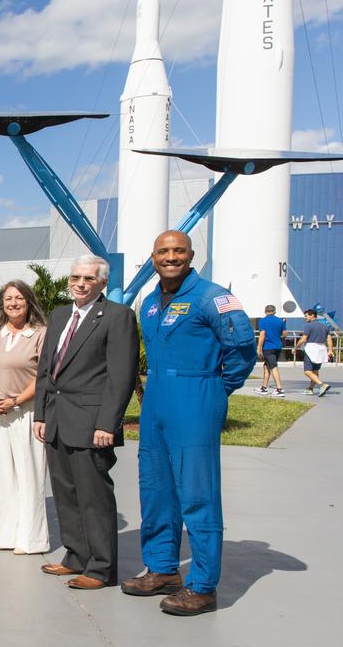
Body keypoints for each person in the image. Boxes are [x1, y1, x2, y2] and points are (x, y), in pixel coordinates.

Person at [122, 230, 256, 616]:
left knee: (197, 494)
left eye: (178, 250)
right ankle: (163, 568)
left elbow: (242, 349)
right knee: (156, 488)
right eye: (163, 251)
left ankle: (202, 585)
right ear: (153, 257)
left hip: (195, 396)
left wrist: (216, 388)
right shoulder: (149, 302)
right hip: (157, 400)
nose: (171, 256)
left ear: (191, 254)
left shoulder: (212, 297)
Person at [33, 257, 138, 590]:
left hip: (92, 423)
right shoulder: (61, 315)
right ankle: (76, 556)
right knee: (65, 492)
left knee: (94, 497)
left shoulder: (118, 317)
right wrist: (40, 413)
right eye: (75, 277)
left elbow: (121, 376)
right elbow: (47, 369)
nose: (80, 283)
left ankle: (101, 568)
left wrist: (108, 423)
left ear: (102, 283)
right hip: (57, 419)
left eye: (88, 279)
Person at [0, 280, 50, 556]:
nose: (13, 303)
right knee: (4, 475)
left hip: (25, 413)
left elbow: (43, 375)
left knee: (29, 475)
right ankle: (5, 534)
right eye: (8, 299)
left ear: (28, 301)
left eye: (19, 298)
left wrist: (16, 400)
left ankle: (31, 539)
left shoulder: (40, 334)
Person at [295, 309, 331, 396]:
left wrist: (296, 347)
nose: (305, 318)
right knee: (315, 371)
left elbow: (303, 339)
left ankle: (322, 385)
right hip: (321, 349)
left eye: (306, 315)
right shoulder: (325, 326)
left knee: (307, 371)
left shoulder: (309, 326)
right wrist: (330, 350)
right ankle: (310, 389)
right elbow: (329, 338)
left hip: (311, 349)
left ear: (312, 315)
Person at [255, 305, 286, 397]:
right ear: (274, 311)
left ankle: (279, 389)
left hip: (268, 347)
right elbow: (284, 334)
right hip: (277, 347)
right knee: (267, 366)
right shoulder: (280, 321)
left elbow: (262, 335)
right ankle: (264, 387)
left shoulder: (263, 321)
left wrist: (259, 348)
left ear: (265, 311)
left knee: (273, 367)